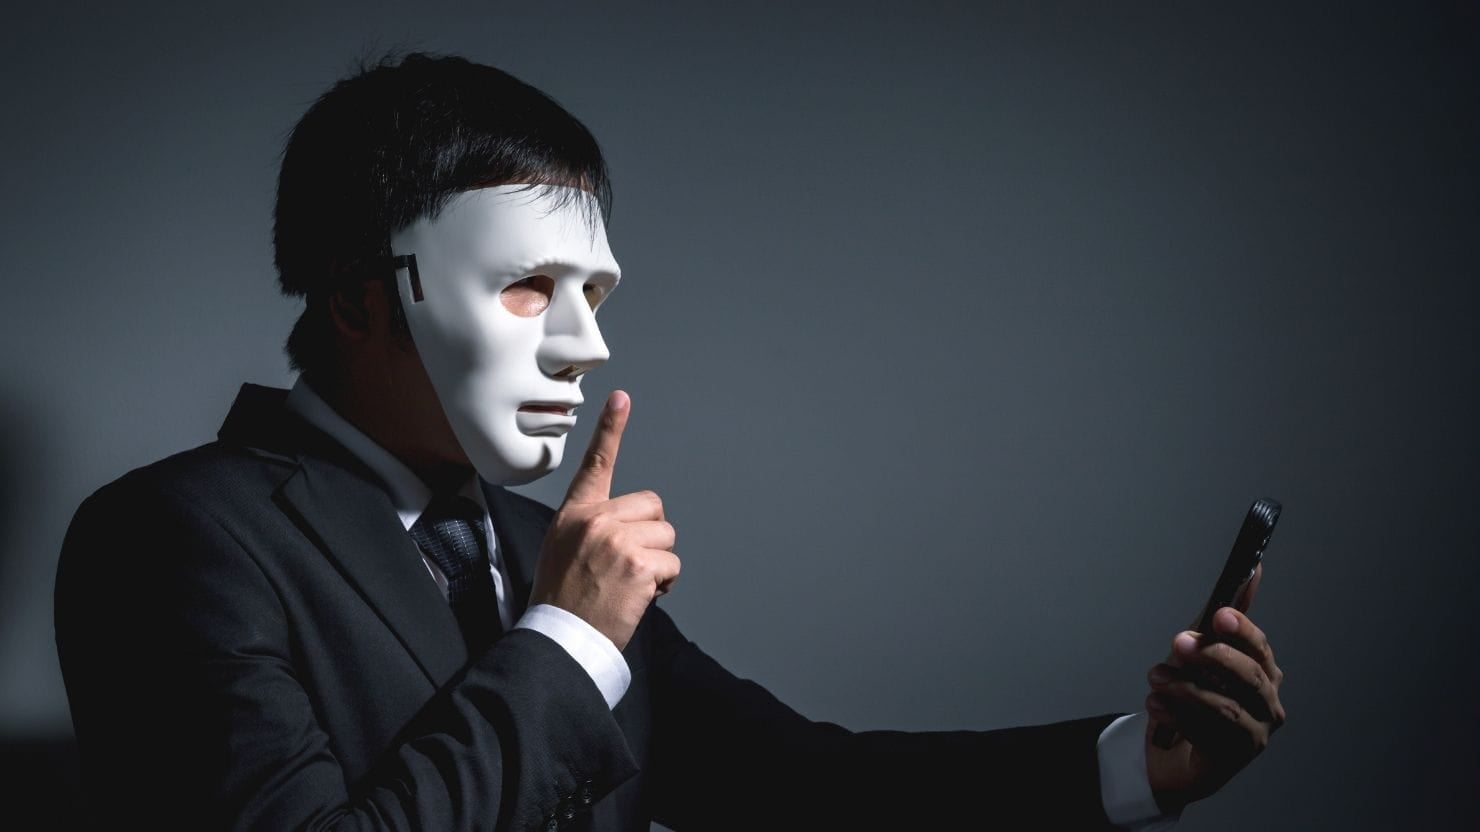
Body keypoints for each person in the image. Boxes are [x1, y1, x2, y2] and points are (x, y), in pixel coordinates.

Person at [53, 52, 1286, 831]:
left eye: (595, 294)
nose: (585, 345)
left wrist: (1137, 766)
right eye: (527, 285)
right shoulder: (173, 537)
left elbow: (801, 785)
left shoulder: (543, 547)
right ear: (358, 295)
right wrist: (565, 641)